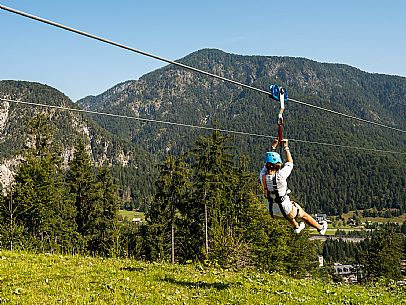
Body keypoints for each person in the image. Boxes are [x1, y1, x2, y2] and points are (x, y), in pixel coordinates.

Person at [259, 138, 328, 235]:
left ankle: (296, 226)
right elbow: (290, 162)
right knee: (303, 215)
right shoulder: (280, 175)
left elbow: (267, 163)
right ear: (278, 165)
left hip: (272, 211)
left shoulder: (262, 176)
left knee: (288, 206)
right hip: (286, 210)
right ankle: (320, 228)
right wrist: (286, 147)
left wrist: (273, 147)